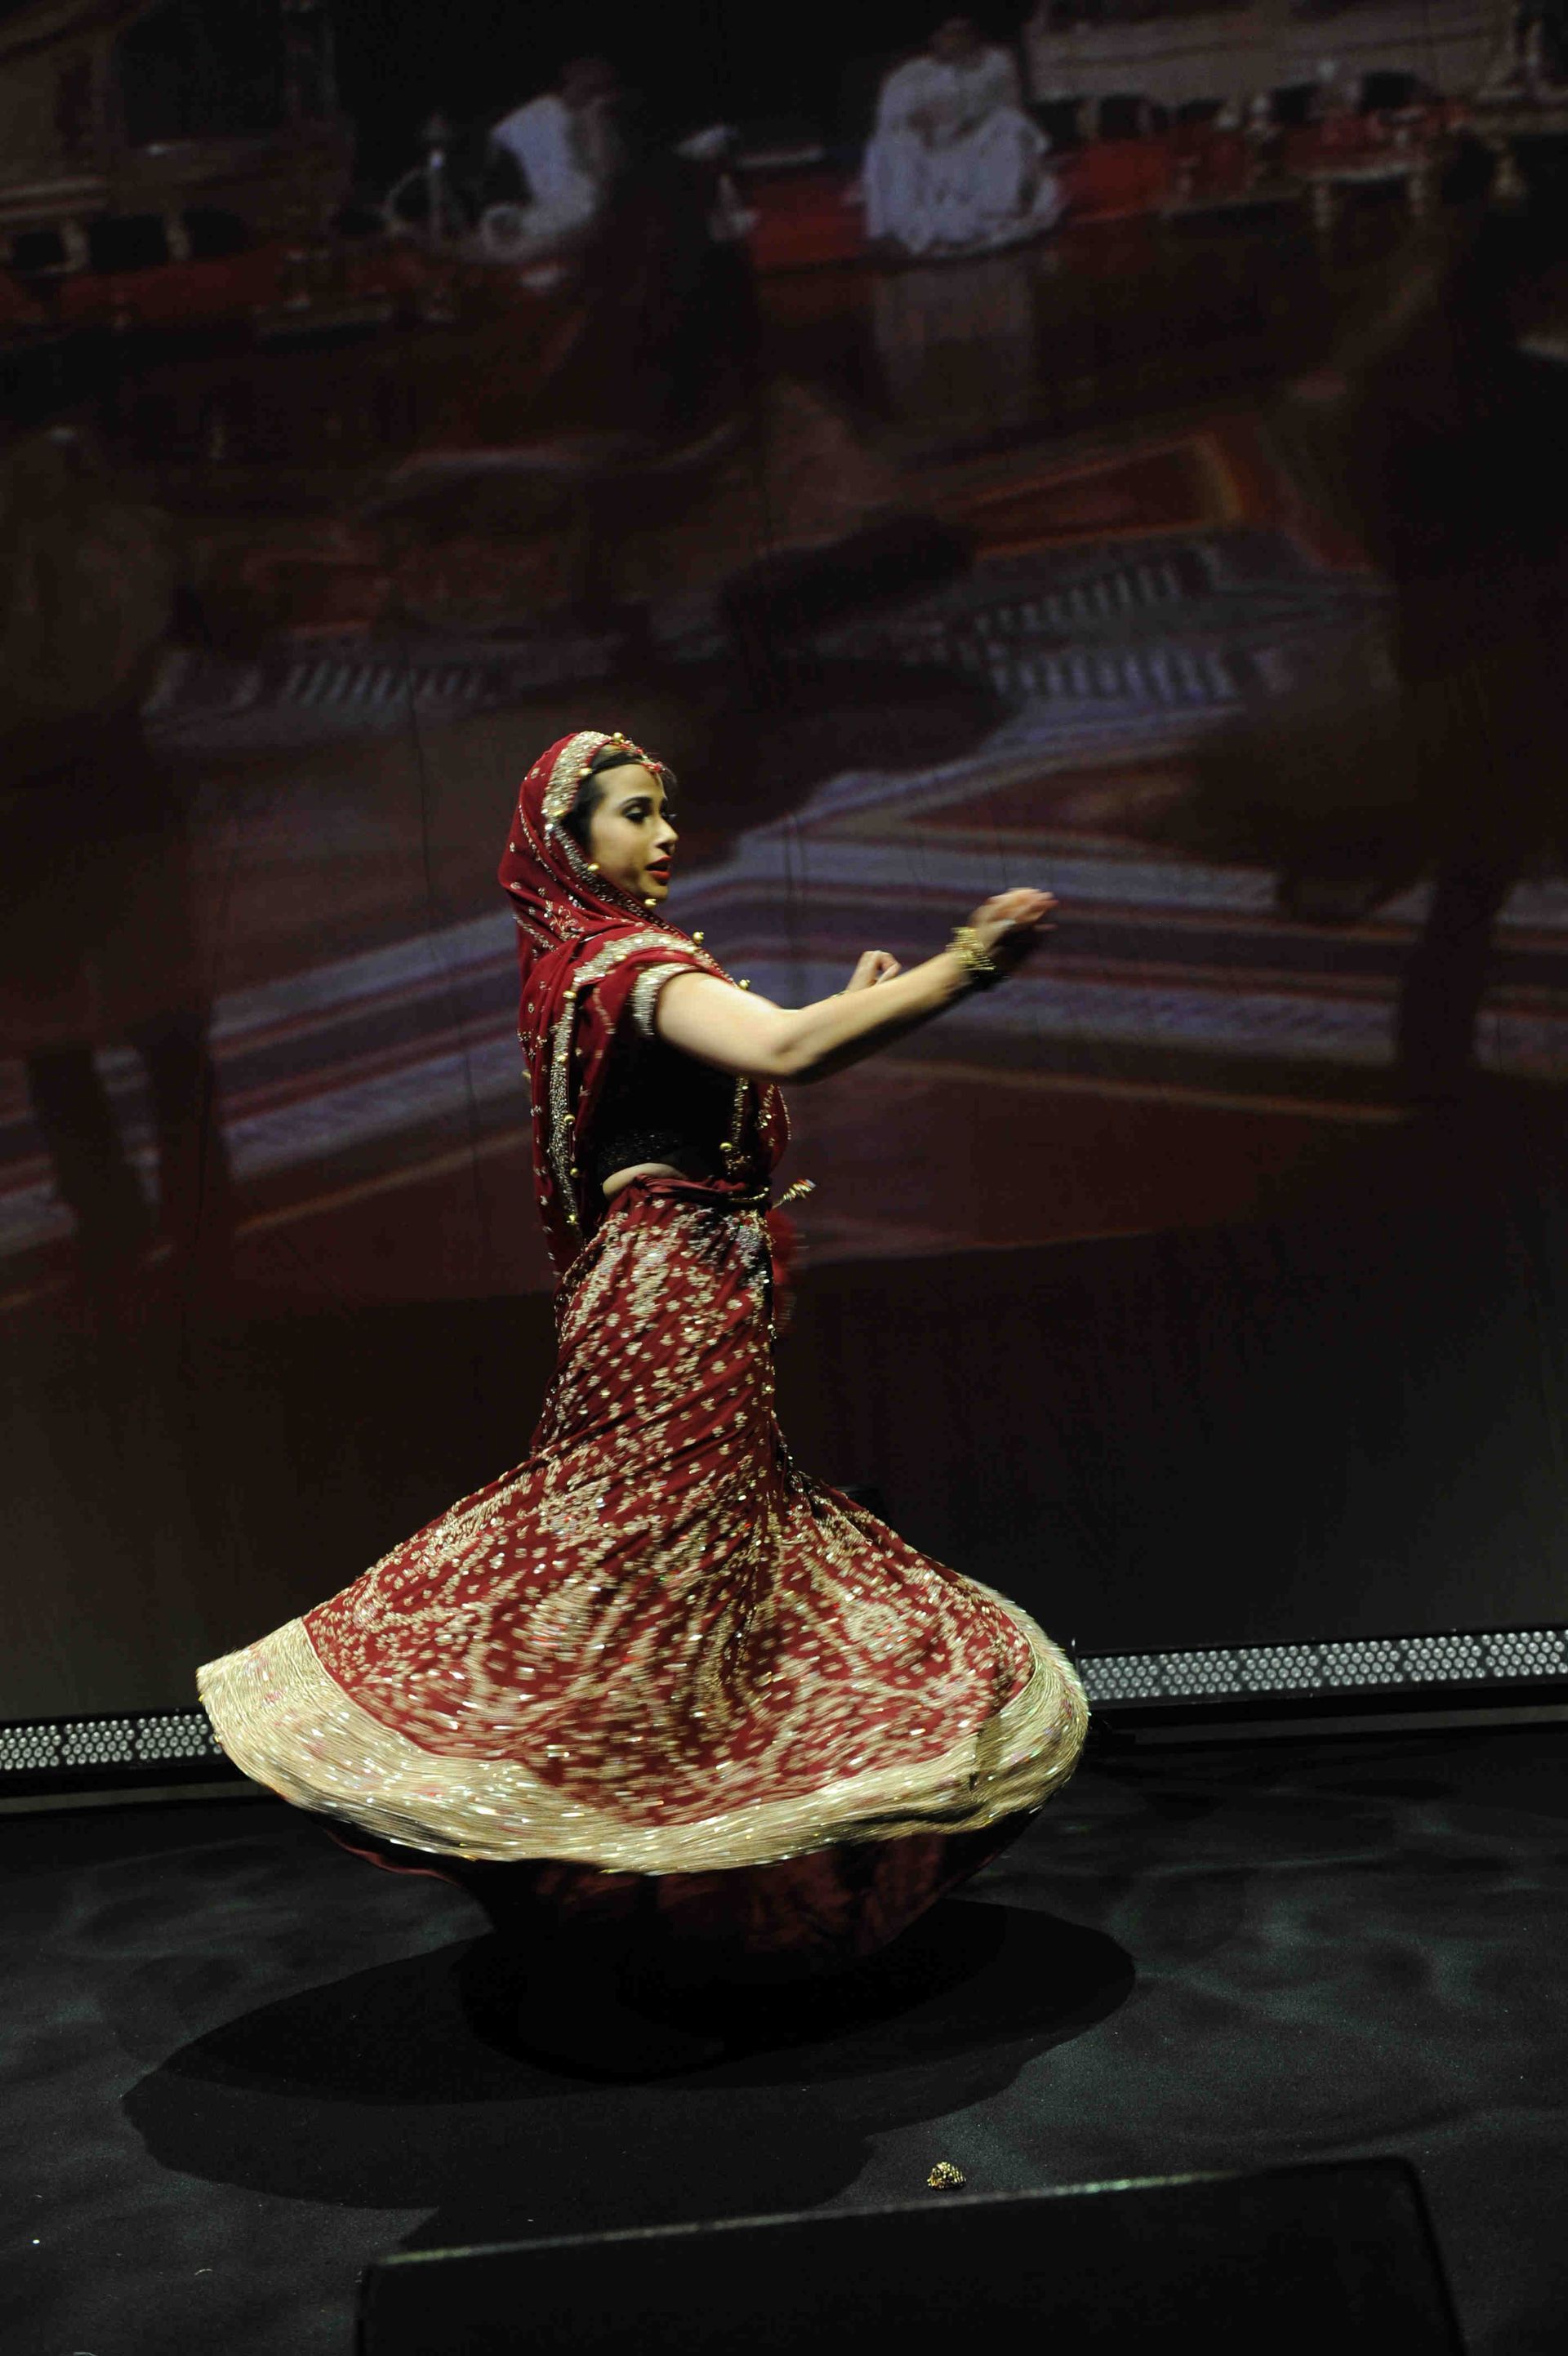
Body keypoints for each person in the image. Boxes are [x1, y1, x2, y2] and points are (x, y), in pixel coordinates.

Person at [198, 728, 1085, 2052]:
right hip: (674, 1295)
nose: (664, 836)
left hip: (660, 1286)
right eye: (632, 814)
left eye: (666, 811)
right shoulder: (633, 966)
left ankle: (687, 1912)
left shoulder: (586, 969)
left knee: (697, 1581)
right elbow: (787, 1049)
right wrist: (966, 966)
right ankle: (654, 1892)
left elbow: (753, 1066)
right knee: (658, 1582)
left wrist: (860, 1002)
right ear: (569, 842)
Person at [862, 16, 1063, 260]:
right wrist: (920, 126)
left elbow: (999, 105)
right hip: (928, 160)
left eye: (962, 32)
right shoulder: (905, 78)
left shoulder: (995, 63)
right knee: (889, 146)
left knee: (1011, 125)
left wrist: (954, 117)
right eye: (948, 34)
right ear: (934, 38)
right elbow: (891, 125)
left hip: (977, 150)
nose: (956, 40)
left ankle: (995, 216)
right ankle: (908, 231)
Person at [486, 54, 622, 260]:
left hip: (587, 210)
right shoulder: (548, 114)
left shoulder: (595, 116)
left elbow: (602, 175)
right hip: (564, 208)